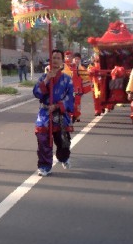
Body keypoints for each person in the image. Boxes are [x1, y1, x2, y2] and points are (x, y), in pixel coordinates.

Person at [33, 49, 74, 177]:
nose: (55, 60)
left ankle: (63, 157)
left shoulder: (67, 79)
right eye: (53, 58)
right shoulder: (44, 77)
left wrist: (57, 106)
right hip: (45, 113)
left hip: (59, 114)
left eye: (58, 58)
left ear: (62, 61)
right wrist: (46, 80)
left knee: (63, 140)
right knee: (43, 139)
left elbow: (70, 98)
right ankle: (44, 166)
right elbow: (36, 93)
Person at [68, 53, 91, 122]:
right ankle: (72, 115)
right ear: (73, 59)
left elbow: (86, 78)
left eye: (78, 59)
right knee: (70, 102)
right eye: (75, 59)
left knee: (77, 103)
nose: (77, 60)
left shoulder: (81, 68)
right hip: (69, 89)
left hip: (78, 89)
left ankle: (77, 115)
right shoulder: (69, 67)